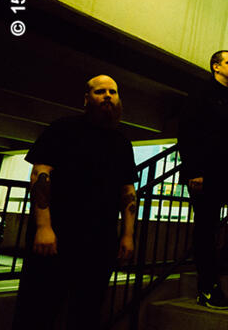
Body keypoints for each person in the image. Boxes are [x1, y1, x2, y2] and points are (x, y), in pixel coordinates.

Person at [12, 75, 137, 330]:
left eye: (113, 92)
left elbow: (128, 191)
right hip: (56, 239)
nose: (108, 96)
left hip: (99, 243)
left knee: (87, 313)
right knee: (36, 312)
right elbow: (40, 174)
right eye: (100, 91)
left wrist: (127, 235)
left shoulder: (122, 142)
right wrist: (43, 227)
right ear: (86, 99)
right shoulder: (62, 129)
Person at [178, 50, 228, 309]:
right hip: (205, 174)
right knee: (206, 229)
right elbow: (187, 134)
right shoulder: (201, 94)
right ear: (215, 67)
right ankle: (207, 287)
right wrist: (194, 171)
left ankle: (227, 257)